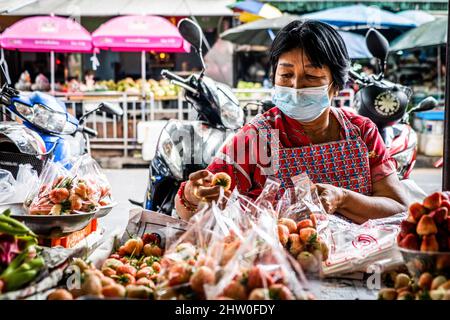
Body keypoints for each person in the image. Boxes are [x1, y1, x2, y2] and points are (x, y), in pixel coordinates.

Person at [175, 20, 408, 224]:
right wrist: (194, 195)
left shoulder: (361, 132)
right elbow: (190, 209)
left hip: (361, 262)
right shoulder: (256, 139)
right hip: (280, 269)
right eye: (286, 75)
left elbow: (397, 208)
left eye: (312, 77)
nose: (296, 87)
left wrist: (343, 199)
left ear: (335, 86)